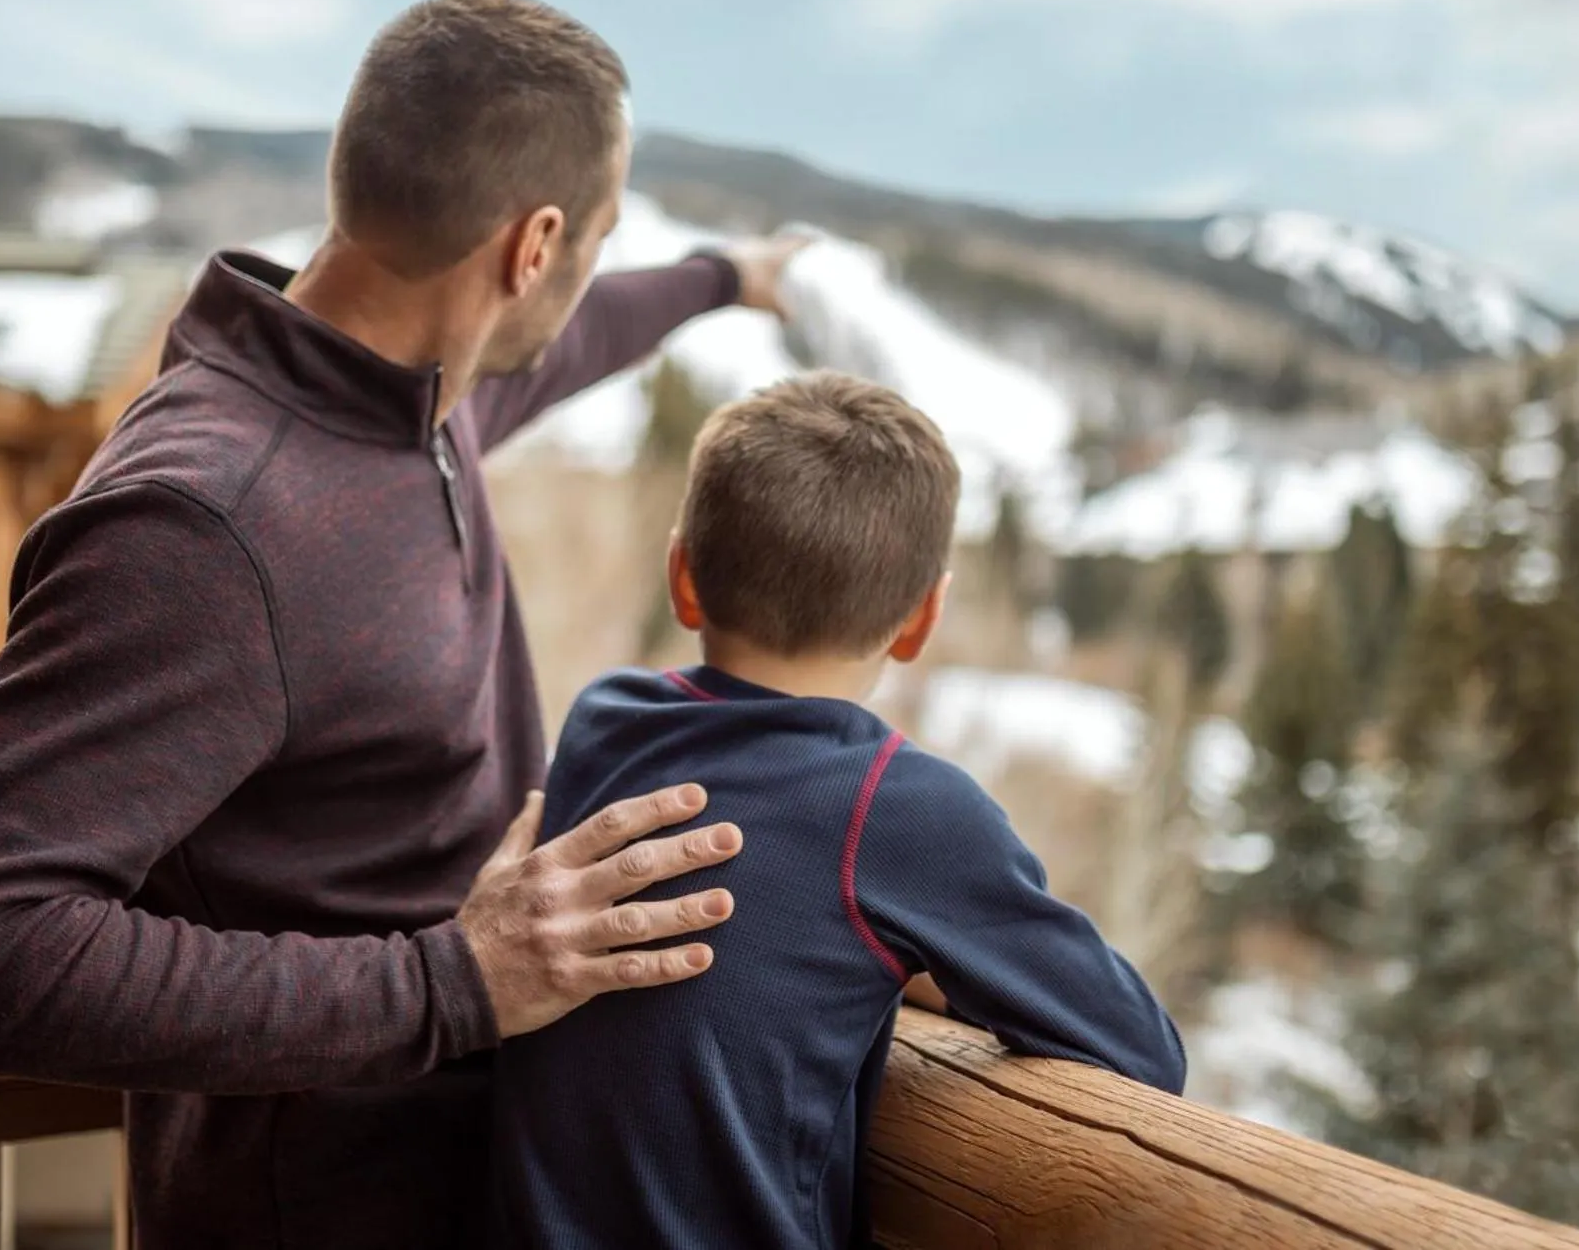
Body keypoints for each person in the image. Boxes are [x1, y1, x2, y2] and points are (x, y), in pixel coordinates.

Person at [0, 0, 809, 1249]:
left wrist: (724, 280)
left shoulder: (420, 398)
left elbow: (572, 342)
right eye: (593, 242)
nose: (581, 284)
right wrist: (455, 980)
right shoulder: (211, 522)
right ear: (532, 248)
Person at [489, 372, 1188, 1250]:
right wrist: (929, 958)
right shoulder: (899, 808)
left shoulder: (609, 716)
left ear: (681, 575)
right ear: (922, 618)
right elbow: (1140, 1046)